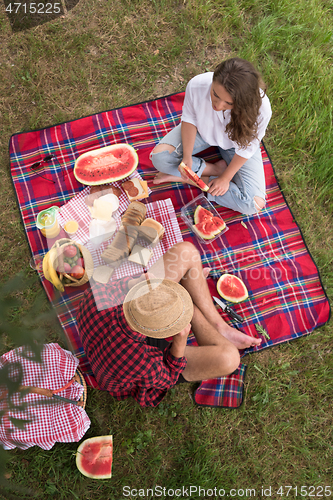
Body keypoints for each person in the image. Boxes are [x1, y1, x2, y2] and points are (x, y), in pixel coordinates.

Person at [77, 242, 261, 407]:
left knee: (186, 251)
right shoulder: (145, 363)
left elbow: (118, 286)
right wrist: (180, 343)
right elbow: (168, 377)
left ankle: (220, 327)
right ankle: (192, 303)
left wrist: (135, 282)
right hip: (131, 361)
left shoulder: (96, 295)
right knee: (230, 359)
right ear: (161, 332)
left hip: (116, 328)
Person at [150, 57, 272, 215]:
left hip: (237, 146)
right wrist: (186, 157)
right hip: (202, 132)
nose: (218, 106)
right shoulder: (197, 84)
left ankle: (188, 178)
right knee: (160, 158)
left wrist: (226, 178)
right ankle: (214, 168)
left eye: (228, 104)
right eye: (215, 94)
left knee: (253, 204)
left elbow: (247, 148)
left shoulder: (261, 109)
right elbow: (189, 119)